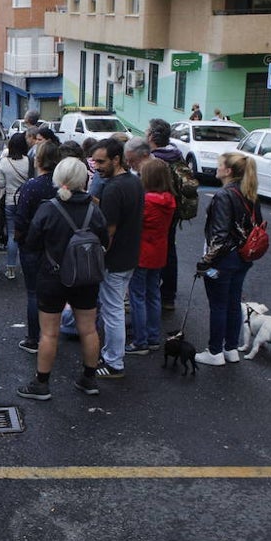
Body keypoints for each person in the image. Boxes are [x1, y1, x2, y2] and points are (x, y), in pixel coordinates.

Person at [16, 158, 109, 400]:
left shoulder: (49, 208)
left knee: (49, 333)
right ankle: (89, 378)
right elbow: (104, 241)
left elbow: (33, 242)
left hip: (52, 276)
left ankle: (42, 383)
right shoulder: (94, 209)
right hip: (86, 276)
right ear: (84, 179)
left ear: (59, 179)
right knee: (89, 329)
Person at [195, 152, 262, 366]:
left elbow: (219, 235)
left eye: (219, 165)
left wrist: (206, 261)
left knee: (218, 305)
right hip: (243, 256)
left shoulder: (224, 195)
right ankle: (231, 348)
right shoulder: (250, 192)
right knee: (233, 303)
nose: (217, 168)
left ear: (228, 170)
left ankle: (214, 351)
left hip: (224, 259)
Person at [91, 138, 145, 380]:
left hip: (113, 261)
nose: (97, 166)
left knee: (112, 311)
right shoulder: (134, 182)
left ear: (116, 159)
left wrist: (98, 257)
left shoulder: (112, 188)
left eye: (101, 162)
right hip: (130, 256)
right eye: (94, 161)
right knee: (114, 309)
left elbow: (108, 231)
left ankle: (114, 361)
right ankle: (111, 355)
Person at [13, 141, 60, 353]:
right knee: (54, 291)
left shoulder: (32, 186)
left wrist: (19, 238)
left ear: (38, 160)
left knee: (33, 292)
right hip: (57, 244)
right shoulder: (62, 185)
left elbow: (21, 218)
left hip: (32, 245)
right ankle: (52, 335)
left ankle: (34, 338)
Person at [126, 159, 177, 355]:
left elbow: (133, 224)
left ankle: (140, 341)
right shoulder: (169, 200)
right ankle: (153, 336)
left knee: (137, 296)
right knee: (153, 294)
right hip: (159, 250)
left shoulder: (146, 201)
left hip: (142, 251)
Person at [148, 118, 193, 311]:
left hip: (157, 208)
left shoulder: (154, 159)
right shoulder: (176, 154)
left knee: (155, 248)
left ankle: (153, 292)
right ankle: (168, 296)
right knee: (170, 250)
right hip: (173, 208)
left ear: (152, 136)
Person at [0, 133, 30, 280]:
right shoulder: (28, 161)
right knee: (26, 234)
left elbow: (0, 184)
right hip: (26, 200)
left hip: (10, 200)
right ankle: (26, 266)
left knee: (12, 234)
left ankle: (10, 269)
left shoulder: (4, 162)